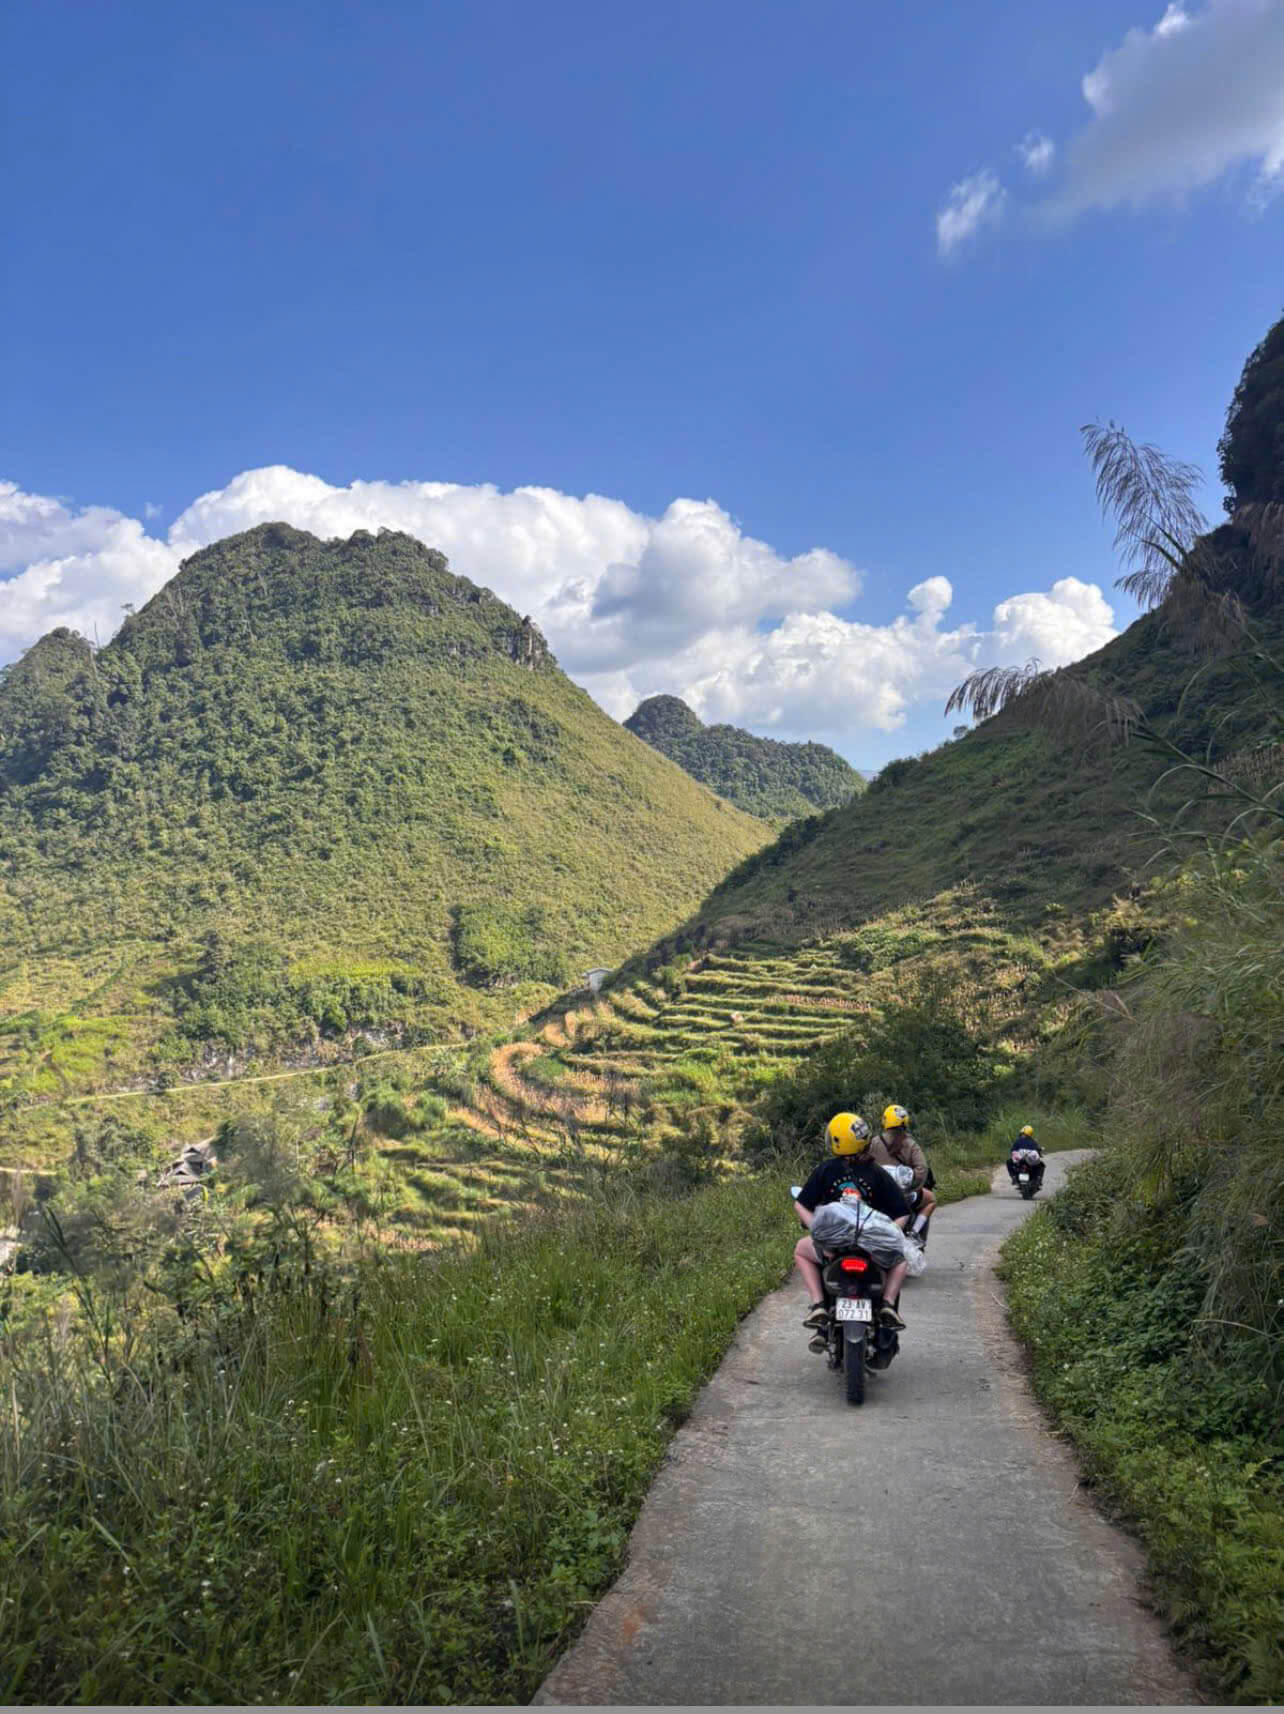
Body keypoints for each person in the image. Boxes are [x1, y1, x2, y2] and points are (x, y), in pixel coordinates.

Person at [794, 1111, 911, 1347]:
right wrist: (888, 1233)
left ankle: (818, 1305)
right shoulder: (876, 1172)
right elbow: (903, 1212)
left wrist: (816, 1229)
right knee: (901, 1258)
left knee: (800, 1250)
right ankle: (888, 1305)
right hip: (871, 1246)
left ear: (836, 1142)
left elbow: (801, 1204)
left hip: (833, 1247)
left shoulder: (826, 1170)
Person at [863, 1103, 936, 1244]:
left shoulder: (873, 1143)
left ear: (885, 1121)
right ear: (905, 1121)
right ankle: (915, 1233)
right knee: (931, 1199)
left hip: (878, 1195)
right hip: (903, 1194)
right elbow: (922, 1169)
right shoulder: (910, 1144)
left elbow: (863, 1165)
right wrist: (912, 1187)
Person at [1006, 1124, 1045, 1190]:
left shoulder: (1018, 1140)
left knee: (1009, 1162)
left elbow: (1013, 1150)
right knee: (1042, 1165)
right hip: (1030, 1162)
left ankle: (1013, 1178)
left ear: (1023, 1133)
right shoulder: (1034, 1142)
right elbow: (1038, 1151)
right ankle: (1039, 1179)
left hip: (1021, 1161)